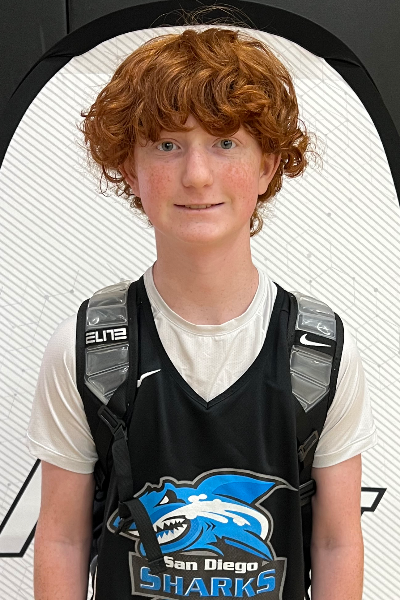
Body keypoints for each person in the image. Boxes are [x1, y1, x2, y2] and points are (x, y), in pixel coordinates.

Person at [27, 26, 377, 600]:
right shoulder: (88, 348)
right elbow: (62, 538)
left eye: (225, 143)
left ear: (268, 164)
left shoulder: (319, 354)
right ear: (129, 168)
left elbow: (337, 542)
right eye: (167, 145)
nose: (196, 175)